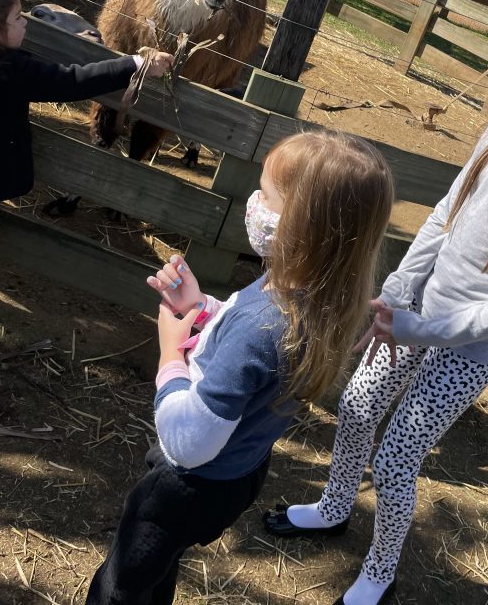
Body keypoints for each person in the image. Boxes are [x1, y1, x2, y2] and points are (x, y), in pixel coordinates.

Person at [264, 7, 488, 605]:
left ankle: (380, 571)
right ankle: (333, 507)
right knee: (356, 405)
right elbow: (446, 214)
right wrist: (398, 291)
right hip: (415, 314)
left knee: (397, 458)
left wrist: (418, 328)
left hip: (466, 349)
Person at [86, 129, 394, 605]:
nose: (254, 202)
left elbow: (189, 442)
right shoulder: (312, 296)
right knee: (158, 566)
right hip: (237, 473)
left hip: (187, 485)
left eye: (266, 195)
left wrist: (170, 353)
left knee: (122, 583)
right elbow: (252, 351)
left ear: (304, 226)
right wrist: (202, 308)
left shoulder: (262, 325)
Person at [0, 0, 172, 203]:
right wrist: (136, 64)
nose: (25, 21)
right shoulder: (9, 70)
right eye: (17, 18)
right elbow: (72, 81)